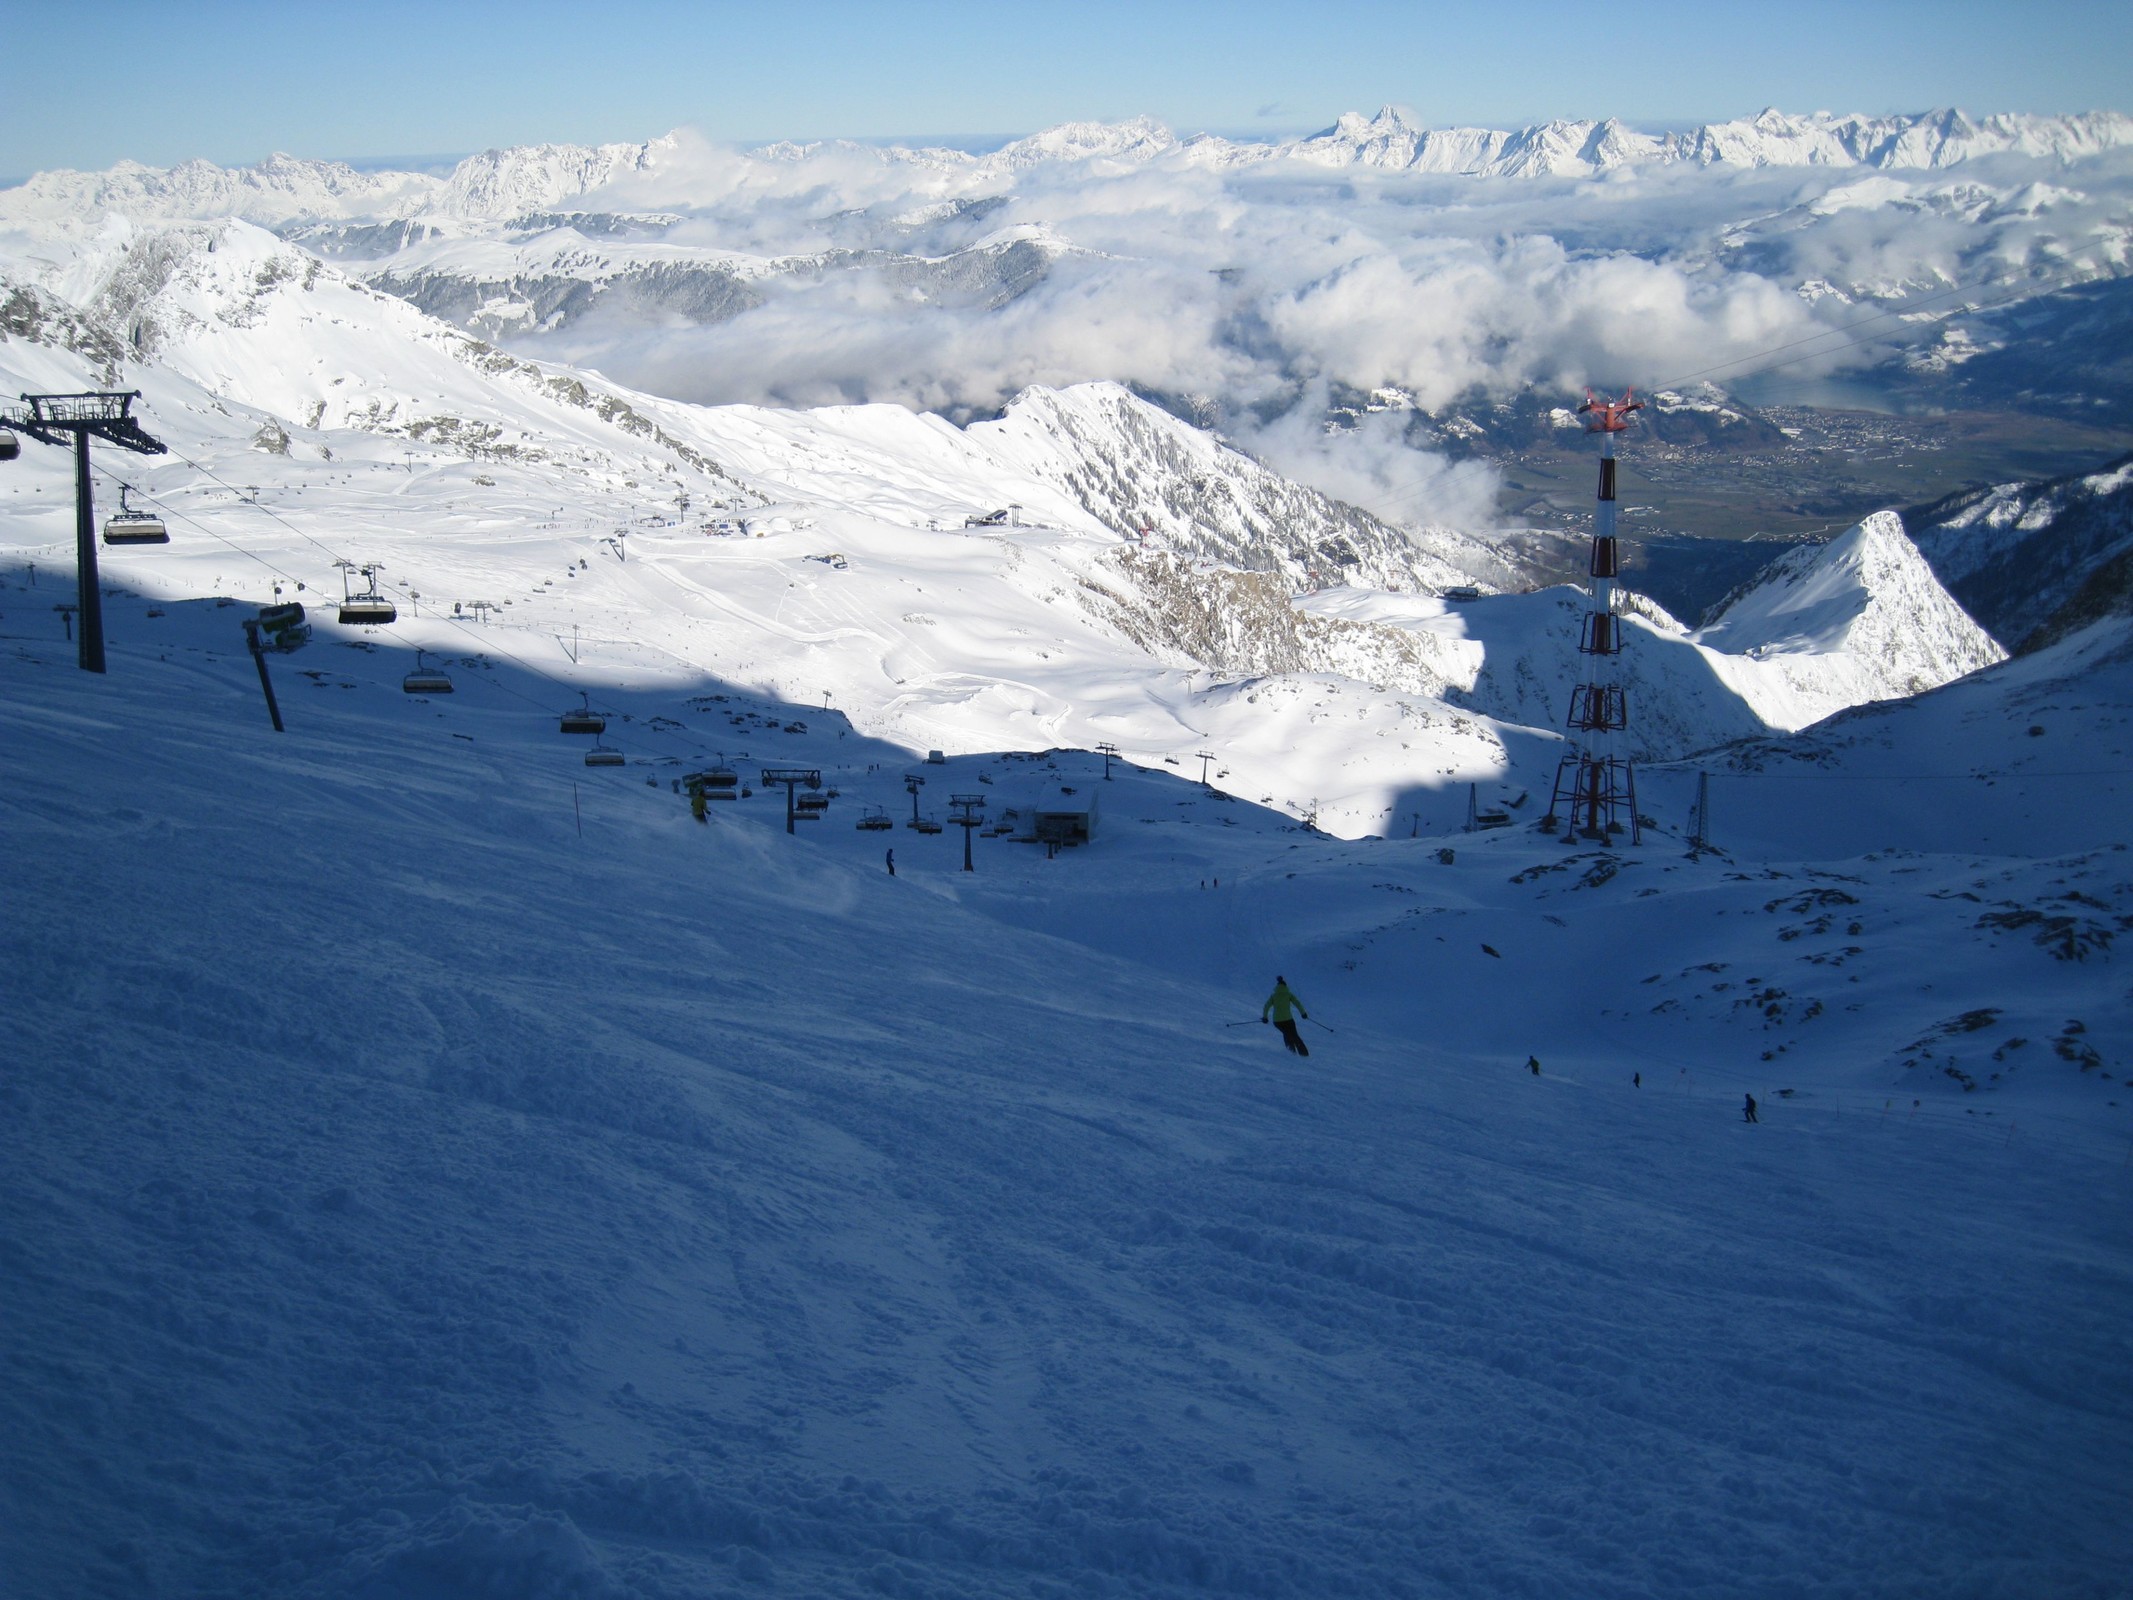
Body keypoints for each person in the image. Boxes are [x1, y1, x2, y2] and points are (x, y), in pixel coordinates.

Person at [1262, 977, 1309, 1057]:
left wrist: (1265, 1018)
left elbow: (1266, 1006)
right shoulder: (1289, 994)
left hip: (1277, 1021)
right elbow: (1297, 1003)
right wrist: (1303, 1013)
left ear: (1277, 987)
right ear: (1285, 986)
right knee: (1294, 1035)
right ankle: (1303, 1054)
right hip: (1288, 1020)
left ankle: (1291, 1052)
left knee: (1287, 1034)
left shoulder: (1274, 996)